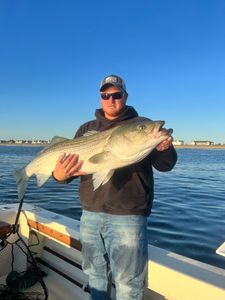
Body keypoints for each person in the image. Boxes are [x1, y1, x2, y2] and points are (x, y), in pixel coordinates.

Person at [52, 75, 177, 300]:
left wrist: (164, 148)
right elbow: (65, 173)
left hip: (128, 216)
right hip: (89, 215)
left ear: (125, 96)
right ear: (100, 98)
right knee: (94, 277)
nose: (111, 100)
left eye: (116, 95)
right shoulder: (86, 129)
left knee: (129, 284)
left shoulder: (142, 124)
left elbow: (165, 165)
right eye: (105, 95)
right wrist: (58, 175)